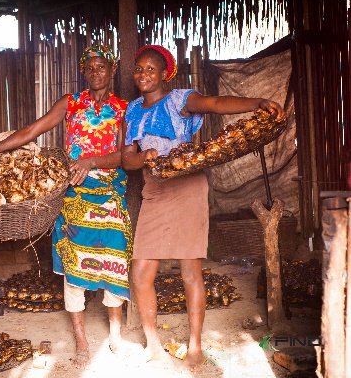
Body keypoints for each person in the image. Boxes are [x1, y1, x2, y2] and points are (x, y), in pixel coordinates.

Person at [0, 44, 133, 369]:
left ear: (112, 70)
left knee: (115, 260)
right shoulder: (71, 104)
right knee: (74, 265)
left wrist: (92, 159)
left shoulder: (125, 108)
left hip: (111, 195)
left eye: (102, 67)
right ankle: (81, 338)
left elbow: (127, 154)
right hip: (73, 196)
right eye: (90, 67)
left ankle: (115, 332)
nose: (96, 72)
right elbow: (30, 131)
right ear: (83, 70)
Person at [121, 44, 286, 368]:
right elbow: (128, 158)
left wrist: (258, 103)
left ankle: (195, 345)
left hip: (187, 189)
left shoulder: (180, 100)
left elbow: (216, 103)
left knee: (189, 271)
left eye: (150, 69)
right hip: (154, 191)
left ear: (164, 74)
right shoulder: (133, 110)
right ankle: (152, 345)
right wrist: (144, 158)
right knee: (140, 272)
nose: (143, 74)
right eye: (139, 69)